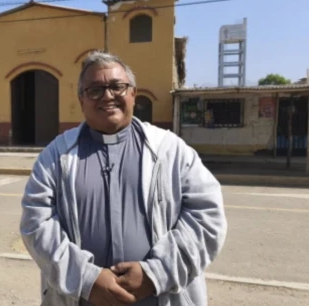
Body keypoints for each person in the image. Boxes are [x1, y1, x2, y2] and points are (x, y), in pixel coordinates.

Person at [20, 51, 227, 306]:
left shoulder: (170, 150)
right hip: (82, 298)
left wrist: (155, 274)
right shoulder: (56, 155)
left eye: (117, 87)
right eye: (95, 89)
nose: (107, 96)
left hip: (160, 297)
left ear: (132, 94)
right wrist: (86, 279)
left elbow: (207, 218)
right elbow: (36, 224)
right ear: (81, 99)